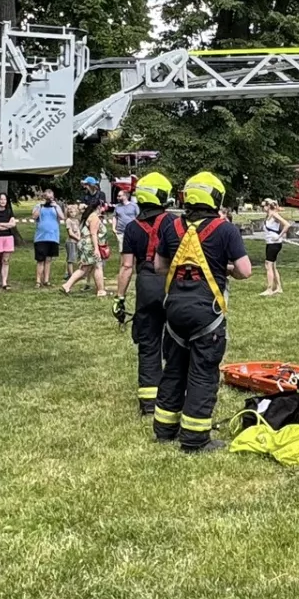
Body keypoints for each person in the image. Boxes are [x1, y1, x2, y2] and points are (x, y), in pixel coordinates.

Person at [152, 171, 251, 452]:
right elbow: (244, 270)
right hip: (205, 315)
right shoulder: (225, 230)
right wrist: (224, 268)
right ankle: (195, 439)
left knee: (173, 369)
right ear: (215, 199)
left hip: (174, 312)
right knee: (202, 373)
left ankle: (164, 430)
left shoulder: (171, 227)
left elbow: (160, 267)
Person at [116, 171, 174, 417]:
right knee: (174, 343)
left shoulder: (131, 228)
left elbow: (126, 266)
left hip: (145, 286)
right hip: (171, 286)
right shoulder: (173, 223)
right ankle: (172, 396)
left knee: (148, 343)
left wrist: (119, 298)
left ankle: (149, 403)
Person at [62, 202, 109, 296]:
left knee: (85, 268)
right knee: (96, 266)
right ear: (99, 207)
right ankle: (100, 290)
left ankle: (67, 285)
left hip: (86, 244)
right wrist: (96, 249)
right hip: (90, 245)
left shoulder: (90, 216)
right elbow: (93, 233)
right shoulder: (94, 217)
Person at [32, 190, 62, 289]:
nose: (49, 200)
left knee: (48, 259)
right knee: (40, 260)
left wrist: (56, 206)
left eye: (51, 197)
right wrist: (41, 206)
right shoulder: (38, 206)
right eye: (47, 198)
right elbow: (34, 216)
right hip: (41, 237)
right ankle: (38, 280)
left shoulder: (56, 207)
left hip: (53, 236)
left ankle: (46, 280)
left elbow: (62, 217)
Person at [259, 200, 287, 296]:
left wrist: (280, 236)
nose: (262, 208)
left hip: (274, 243)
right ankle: (278, 287)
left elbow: (287, 224)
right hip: (270, 243)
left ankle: (269, 289)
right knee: (273, 266)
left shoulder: (274, 215)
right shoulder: (269, 216)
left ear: (268, 206)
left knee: (268, 265)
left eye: (263, 206)